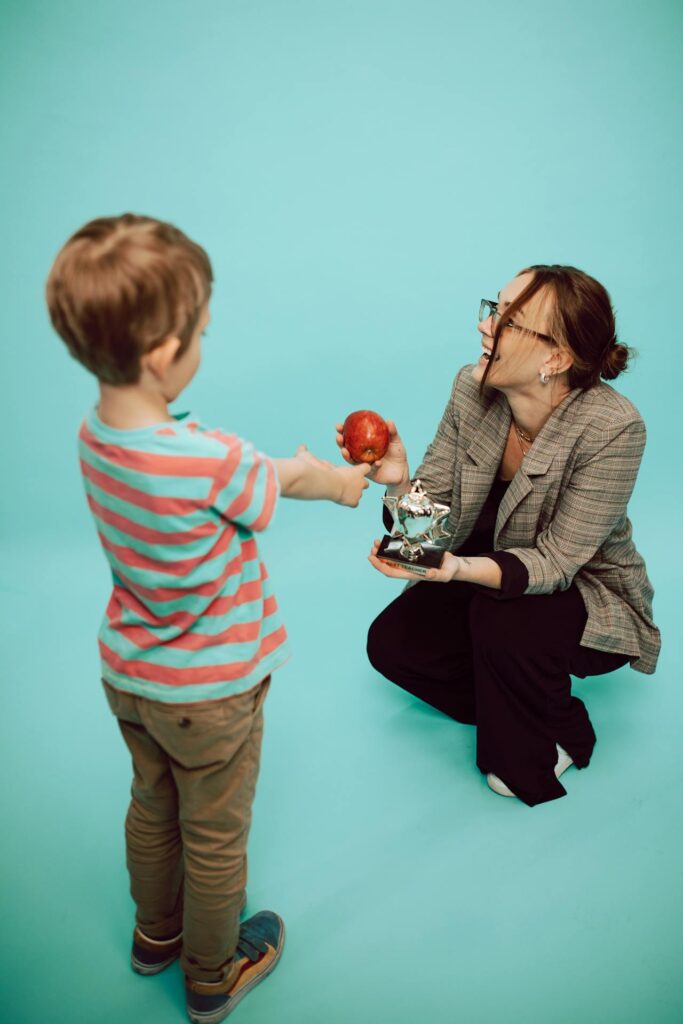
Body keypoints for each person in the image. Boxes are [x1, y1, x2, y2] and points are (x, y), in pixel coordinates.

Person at [46, 213, 371, 1023]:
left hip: (133, 676)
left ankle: (154, 936)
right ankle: (211, 974)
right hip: (214, 691)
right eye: (199, 332)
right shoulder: (206, 459)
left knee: (151, 808)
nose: (204, 342)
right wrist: (337, 481)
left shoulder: (93, 438)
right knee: (217, 837)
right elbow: (277, 481)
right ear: (162, 354)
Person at [339, 265, 661, 807]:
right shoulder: (472, 387)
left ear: (555, 358)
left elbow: (557, 563)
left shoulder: (614, 427)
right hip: (488, 566)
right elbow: (431, 520)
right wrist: (397, 483)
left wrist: (458, 570)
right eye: (494, 307)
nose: (487, 326)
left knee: (499, 633)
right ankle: (519, 697)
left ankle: (566, 730)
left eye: (508, 320)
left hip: (584, 590)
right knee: (393, 646)